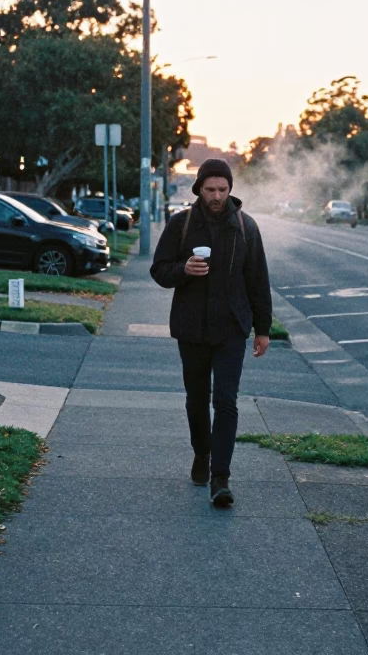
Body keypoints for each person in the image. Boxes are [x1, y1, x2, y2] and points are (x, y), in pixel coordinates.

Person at [150, 158, 272, 507]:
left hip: (232, 328)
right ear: (199, 190)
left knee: (226, 401)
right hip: (191, 327)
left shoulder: (246, 227)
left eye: (222, 189)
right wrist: (184, 269)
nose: (217, 196)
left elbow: (258, 281)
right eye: (210, 190)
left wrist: (262, 329)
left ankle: (221, 477)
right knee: (196, 399)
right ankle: (201, 454)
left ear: (230, 189)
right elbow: (159, 270)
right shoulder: (181, 225)